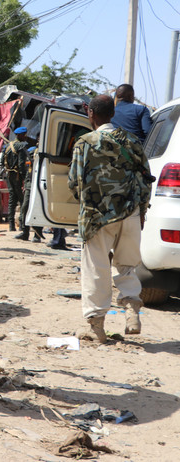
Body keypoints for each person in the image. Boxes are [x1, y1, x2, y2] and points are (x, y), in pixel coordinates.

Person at [68, 95, 155, 343]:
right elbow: (146, 178)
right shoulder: (132, 140)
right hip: (130, 213)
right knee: (127, 265)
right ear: (113, 114)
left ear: (92, 113)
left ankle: (97, 328)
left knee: (96, 268)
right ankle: (131, 311)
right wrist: (141, 212)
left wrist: (87, 203)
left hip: (97, 217)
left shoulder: (85, 143)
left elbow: (75, 183)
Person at [0, 127, 29, 231]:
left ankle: (11, 225)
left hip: (9, 176)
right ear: (20, 135)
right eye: (24, 134)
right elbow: (21, 164)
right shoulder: (21, 146)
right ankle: (22, 224)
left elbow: (1, 162)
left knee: (12, 199)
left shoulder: (7, 147)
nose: (25, 136)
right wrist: (25, 179)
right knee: (22, 200)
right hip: (18, 177)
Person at [15, 145, 44, 242]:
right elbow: (28, 171)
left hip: (39, 184)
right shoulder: (32, 153)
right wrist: (26, 184)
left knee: (38, 209)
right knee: (25, 207)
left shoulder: (44, 154)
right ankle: (25, 232)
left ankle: (37, 234)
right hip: (29, 185)